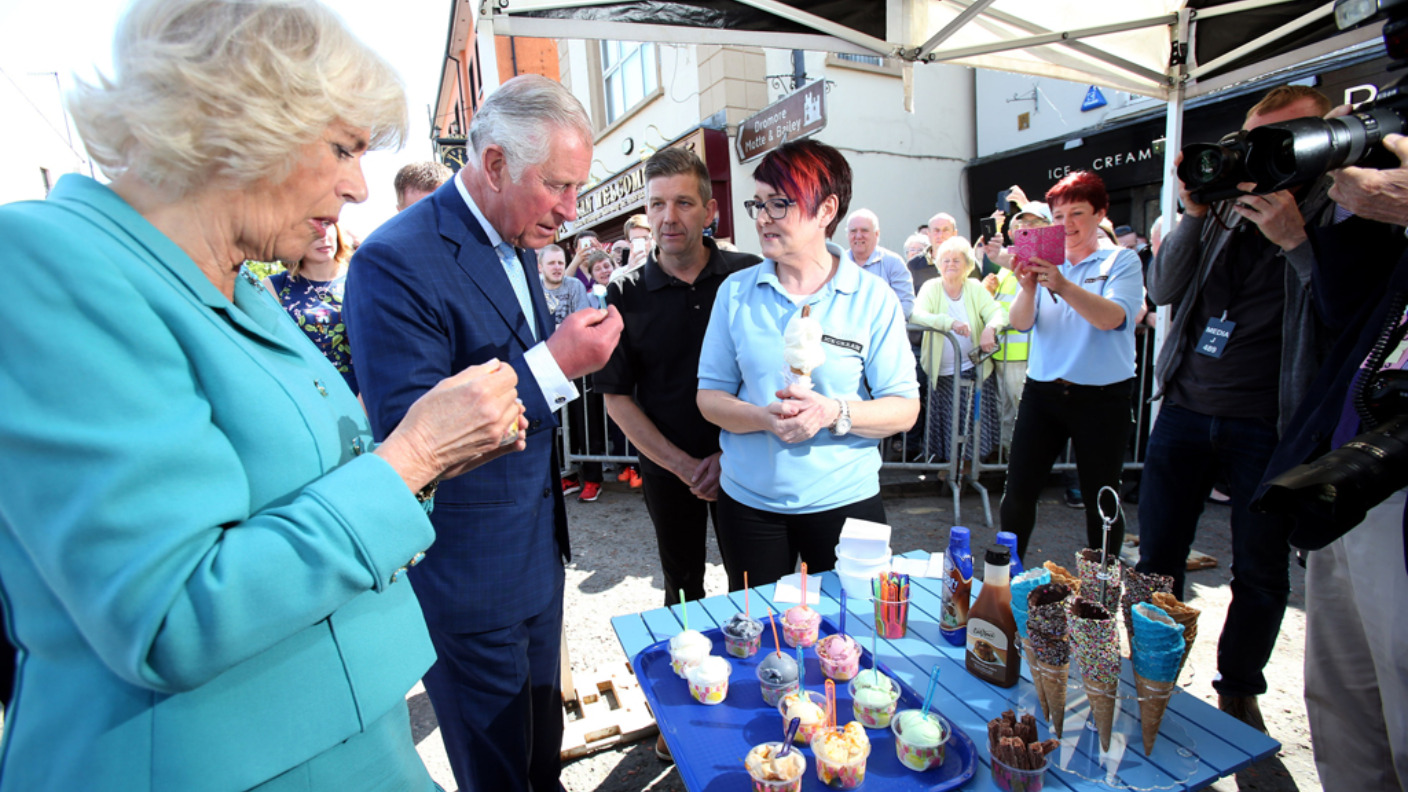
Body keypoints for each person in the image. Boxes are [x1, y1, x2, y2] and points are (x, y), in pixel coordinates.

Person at [0, 1, 529, 789]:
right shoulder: (45, 260)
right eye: (345, 147)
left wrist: (429, 454)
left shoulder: (237, 286)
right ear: (239, 120)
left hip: (355, 744)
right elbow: (169, 616)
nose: (358, 185)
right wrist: (413, 456)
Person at [345, 73, 622, 792]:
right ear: (495, 164)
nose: (569, 210)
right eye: (557, 187)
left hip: (534, 561)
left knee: (541, 762)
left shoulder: (516, 234)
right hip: (468, 581)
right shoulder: (394, 261)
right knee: (497, 774)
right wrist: (557, 364)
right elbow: (414, 442)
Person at [1134, 85, 1341, 731]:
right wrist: (1195, 213)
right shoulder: (1223, 210)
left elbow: (1342, 315)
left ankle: (1239, 688)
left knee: (1259, 569)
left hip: (1271, 421)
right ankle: (1149, 670)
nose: (1257, 156)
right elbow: (1163, 289)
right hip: (1187, 407)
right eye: (1249, 141)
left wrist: (1295, 240)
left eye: (1278, 140)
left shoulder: (1339, 210)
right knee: (1155, 559)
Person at [1253, 130, 1408, 791]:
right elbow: (1347, 321)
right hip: (1350, 484)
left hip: (1393, 500)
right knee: (1343, 717)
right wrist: (1307, 239)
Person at [697, 138, 919, 589]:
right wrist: (761, 417)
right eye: (757, 203)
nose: (761, 218)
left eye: (778, 204)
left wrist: (832, 412)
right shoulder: (736, 292)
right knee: (761, 637)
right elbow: (710, 397)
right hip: (750, 506)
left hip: (846, 502)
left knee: (850, 640)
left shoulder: (872, 296)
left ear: (825, 210)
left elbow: (904, 406)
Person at [599, 146, 761, 609]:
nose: (668, 217)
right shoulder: (625, 291)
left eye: (683, 203)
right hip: (669, 471)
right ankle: (694, 680)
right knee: (683, 589)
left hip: (747, 462)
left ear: (710, 210)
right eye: (657, 204)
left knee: (752, 589)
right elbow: (617, 398)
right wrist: (686, 467)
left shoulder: (747, 274)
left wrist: (727, 455)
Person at [999, 170, 1142, 561]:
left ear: (1100, 214)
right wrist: (1028, 288)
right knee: (1019, 493)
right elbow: (1021, 323)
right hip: (1043, 390)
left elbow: (1112, 318)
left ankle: (1101, 595)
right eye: (1059, 217)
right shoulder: (1045, 261)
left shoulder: (1121, 260)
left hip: (1102, 396)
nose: (1068, 225)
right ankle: (1001, 583)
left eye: (1077, 213)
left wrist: (1061, 284)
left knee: (1102, 500)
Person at [909, 236, 1004, 464]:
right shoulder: (932, 288)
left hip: (974, 369)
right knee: (947, 424)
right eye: (946, 260)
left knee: (973, 423)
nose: (950, 264)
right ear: (939, 264)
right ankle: (948, 469)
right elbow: (916, 315)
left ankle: (968, 470)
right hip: (941, 373)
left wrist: (990, 328)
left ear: (967, 265)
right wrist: (948, 323)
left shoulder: (974, 288)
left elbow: (997, 312)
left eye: (956, 260)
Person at [977, 202, 1051, 454]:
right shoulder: (1008, 269)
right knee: (1007, 416)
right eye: (1020, 224)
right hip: (1003, 356)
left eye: (1034, 224)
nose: (1026, 229)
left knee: (1026, 417)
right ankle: (1011, 466)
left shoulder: (1047, 264)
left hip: (1026, 358)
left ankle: (1026, 467)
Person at [263, 220, 358, 394]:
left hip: (362, 397)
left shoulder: (361, 279)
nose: (323, 235)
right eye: (311, 227)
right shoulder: (273, 288)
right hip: (305, 396)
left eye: (327, 224)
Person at [844, 208, 915, 318]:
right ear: (847, 234)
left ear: (876, 234)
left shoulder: (894, 263)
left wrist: (878, 324)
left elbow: (906, 304)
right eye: (853, 231)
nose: (858, 236)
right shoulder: (837, 264)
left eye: (864, 230)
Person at [539, 242, 588, 330]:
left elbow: (583, 321)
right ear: (540, 267)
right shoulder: (535, 288)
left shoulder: (575, 285)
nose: (557, 267)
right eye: (551, 263)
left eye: (560, 263)